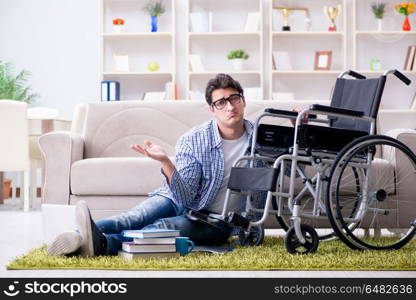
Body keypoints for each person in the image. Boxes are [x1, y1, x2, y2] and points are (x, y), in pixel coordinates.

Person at [47, 73, 264, 257]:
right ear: (212, 110)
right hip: (178, 198)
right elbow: (185, 198)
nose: (230, 107)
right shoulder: (194, 140)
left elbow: (292, 166)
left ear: (243, 101)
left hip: (217, 222)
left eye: (234, 99)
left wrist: (298, 132)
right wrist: (166, 163)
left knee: (160, 230)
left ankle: (101, 244)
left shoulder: (263, 139)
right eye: (221, 103)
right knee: (134, 218)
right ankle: (76, 235)